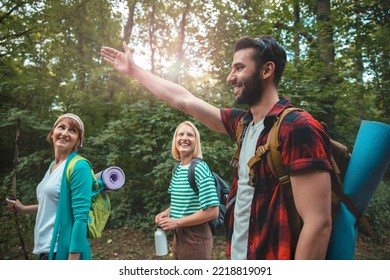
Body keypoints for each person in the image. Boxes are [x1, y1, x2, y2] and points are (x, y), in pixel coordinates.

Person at [101, 35, 333, 260]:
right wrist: (135, 71)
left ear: (266, 70)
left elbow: (318, 224)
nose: (230, 78)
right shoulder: (243, 124)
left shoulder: (298, 128)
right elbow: (184, 99)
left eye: (239, 68)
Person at [6, 113, 93, 260]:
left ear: (79, 140)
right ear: (52, 133)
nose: (65, 133)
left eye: (72, 130)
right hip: (45, 250)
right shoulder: (53, 166)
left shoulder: (79, 166)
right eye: (62, 127)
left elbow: (81, 218)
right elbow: (55, 205)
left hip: (61, 251)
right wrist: (24, 209)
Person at [155, 121, 219, 259]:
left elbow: (213, 211)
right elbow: (181, 202)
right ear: (175, 140)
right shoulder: (177, 169)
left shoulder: (200, 168)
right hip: (179, 234)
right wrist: (166, 213)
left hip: (196, 236)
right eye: (180, 134)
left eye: (190, 135)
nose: (184, 138)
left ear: (196, 141)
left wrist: (177, 222)